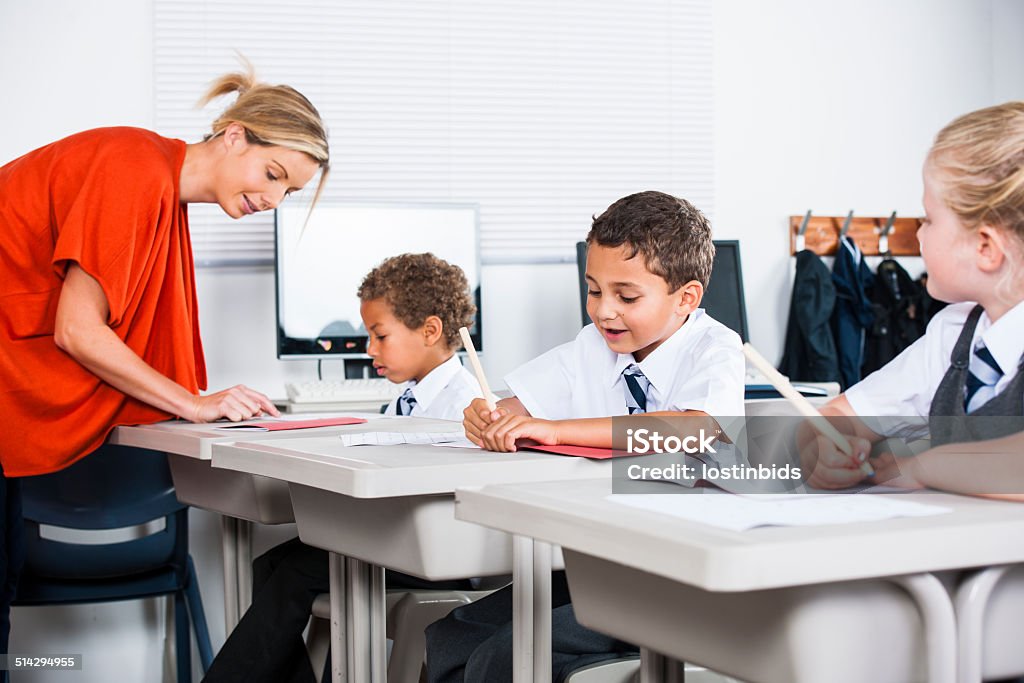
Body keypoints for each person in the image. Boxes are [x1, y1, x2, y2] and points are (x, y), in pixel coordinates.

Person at [0, 65, 329, 668]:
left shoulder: (157, 186)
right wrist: (194, 402)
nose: (272, 200)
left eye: (289, 192)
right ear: (234, 136)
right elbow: (78, 330)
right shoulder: (133, 169)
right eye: (273, 174)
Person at [427, 190, 745, 682]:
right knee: (453, 634)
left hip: (677, 579)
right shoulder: (591, 346)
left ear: (687, 298)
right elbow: (518, 406)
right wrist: (487, 415)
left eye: (627, 296)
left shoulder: (714, 348)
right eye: (594, 290)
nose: (604, 311)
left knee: (504, 657)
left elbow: (695, 427)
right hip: (602, 565)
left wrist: (554, 430)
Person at [202, 253, 480, 683]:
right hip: (392, 539)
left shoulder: (465, 404)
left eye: (379, 336)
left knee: (295, 573)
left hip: (435, 550)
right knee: (269, 565)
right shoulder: (404, 401)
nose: (369, 349)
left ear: (430, 331)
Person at [798, 101, 1024, 502]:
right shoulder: (954, 332)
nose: (918, 233)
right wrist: (823, 448)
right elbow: (840, 415)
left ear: (986, 247)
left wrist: (923, 464)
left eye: (928, 218)